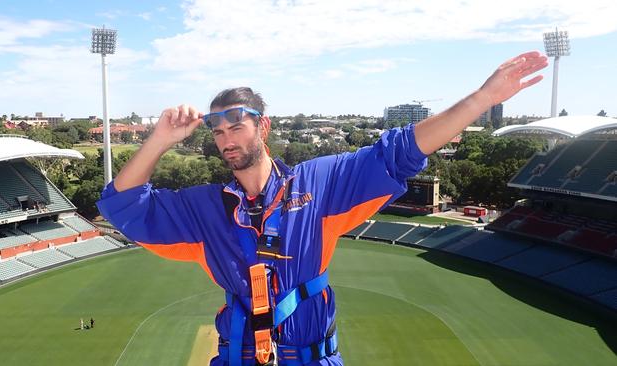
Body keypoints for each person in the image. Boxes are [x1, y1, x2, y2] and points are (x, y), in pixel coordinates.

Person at [97, 51, 547, 366]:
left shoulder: (319, 185)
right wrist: (159, 139)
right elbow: (126, 205)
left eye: (237, 123)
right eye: (217, 130)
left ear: (263, 125)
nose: (227, 138)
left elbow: (398, 152)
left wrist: (482, 99)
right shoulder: (205, 210)